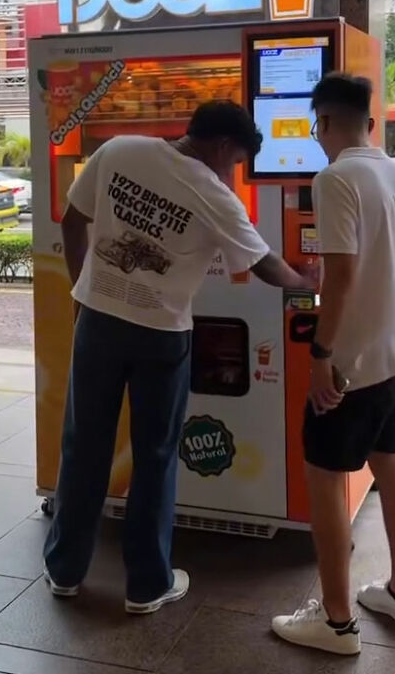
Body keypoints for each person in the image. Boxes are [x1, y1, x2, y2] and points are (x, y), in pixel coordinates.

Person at [43, 101, 315, 615]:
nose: (232, 170)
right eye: (235, 160)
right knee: (156, 457)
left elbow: (73, 220)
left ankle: (65, 570)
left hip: (97, 323)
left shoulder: (119, 150)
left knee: (83, 447)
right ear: (222, 146)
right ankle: (147, 585)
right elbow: (263, 264)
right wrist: (306, 282)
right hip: (161, 336)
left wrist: (82, 293)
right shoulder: (215, 193)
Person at [271, 75, 395, 656]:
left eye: (317, 127)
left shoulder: (336, 177)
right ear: (370, 121)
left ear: (327, 121)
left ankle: (337, 623)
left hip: (356, 365)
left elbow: (337, 280)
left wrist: (321, 358)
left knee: (325, 476)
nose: (317, 138)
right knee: (391, 467)